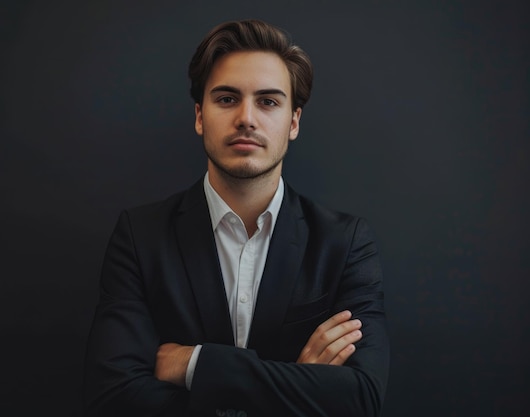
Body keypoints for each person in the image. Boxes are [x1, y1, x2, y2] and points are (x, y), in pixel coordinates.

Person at [84, 19, 389, 417]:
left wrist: (194, 364)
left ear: (293, 122)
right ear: (199, 116)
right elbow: (114, 397)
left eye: (268, 101)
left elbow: (361, 398)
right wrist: (296, 383)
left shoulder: (344, 242)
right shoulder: (140, 237)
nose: (246, 117)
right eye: (227, 99)